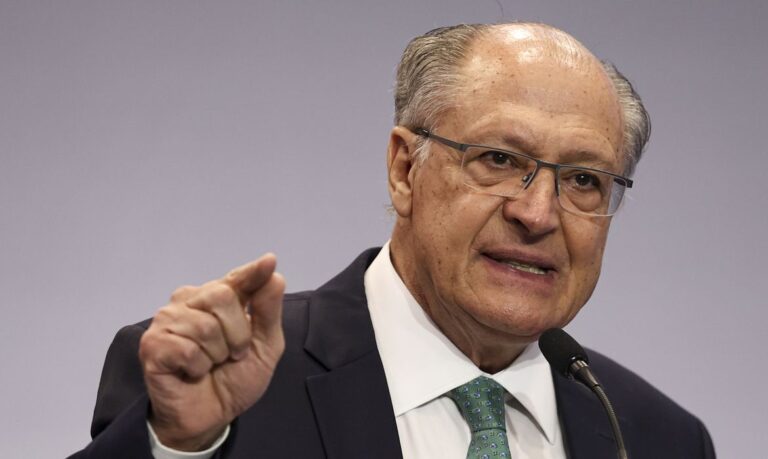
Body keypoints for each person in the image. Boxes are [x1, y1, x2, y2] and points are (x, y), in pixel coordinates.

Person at [70, 22, 715, 458]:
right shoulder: (218, 391)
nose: (537, 213)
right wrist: (178, 447)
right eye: (498, 159)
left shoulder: (661, 438)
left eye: (583, 180)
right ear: (406, 170)